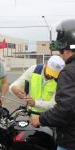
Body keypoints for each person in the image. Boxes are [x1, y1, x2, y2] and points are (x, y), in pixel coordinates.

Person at [30, 19, 75, 150]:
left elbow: (65, 110)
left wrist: (41, 119)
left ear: (67, 49)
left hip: (70, 140)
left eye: (61, 49)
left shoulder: (69, 71)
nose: (61, 54)